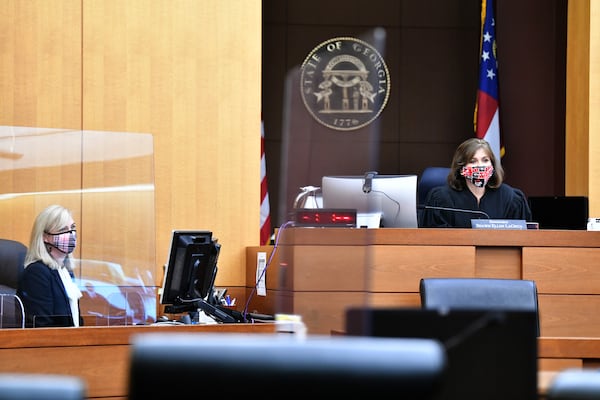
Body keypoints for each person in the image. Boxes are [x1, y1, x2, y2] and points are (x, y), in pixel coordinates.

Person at [419, 138, 532, 228]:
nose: (480, 166)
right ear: (461, 167)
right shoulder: (441, 199)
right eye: (473, 161)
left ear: (492, 165)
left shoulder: (511, 198)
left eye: (485, 160)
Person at [17, 204, 83, 327]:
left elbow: (75, 319)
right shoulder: (36, 273)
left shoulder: (65, 271)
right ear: (45, 237)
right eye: (63, 230)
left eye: (73, 228)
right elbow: (42, 326)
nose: (71, 234)